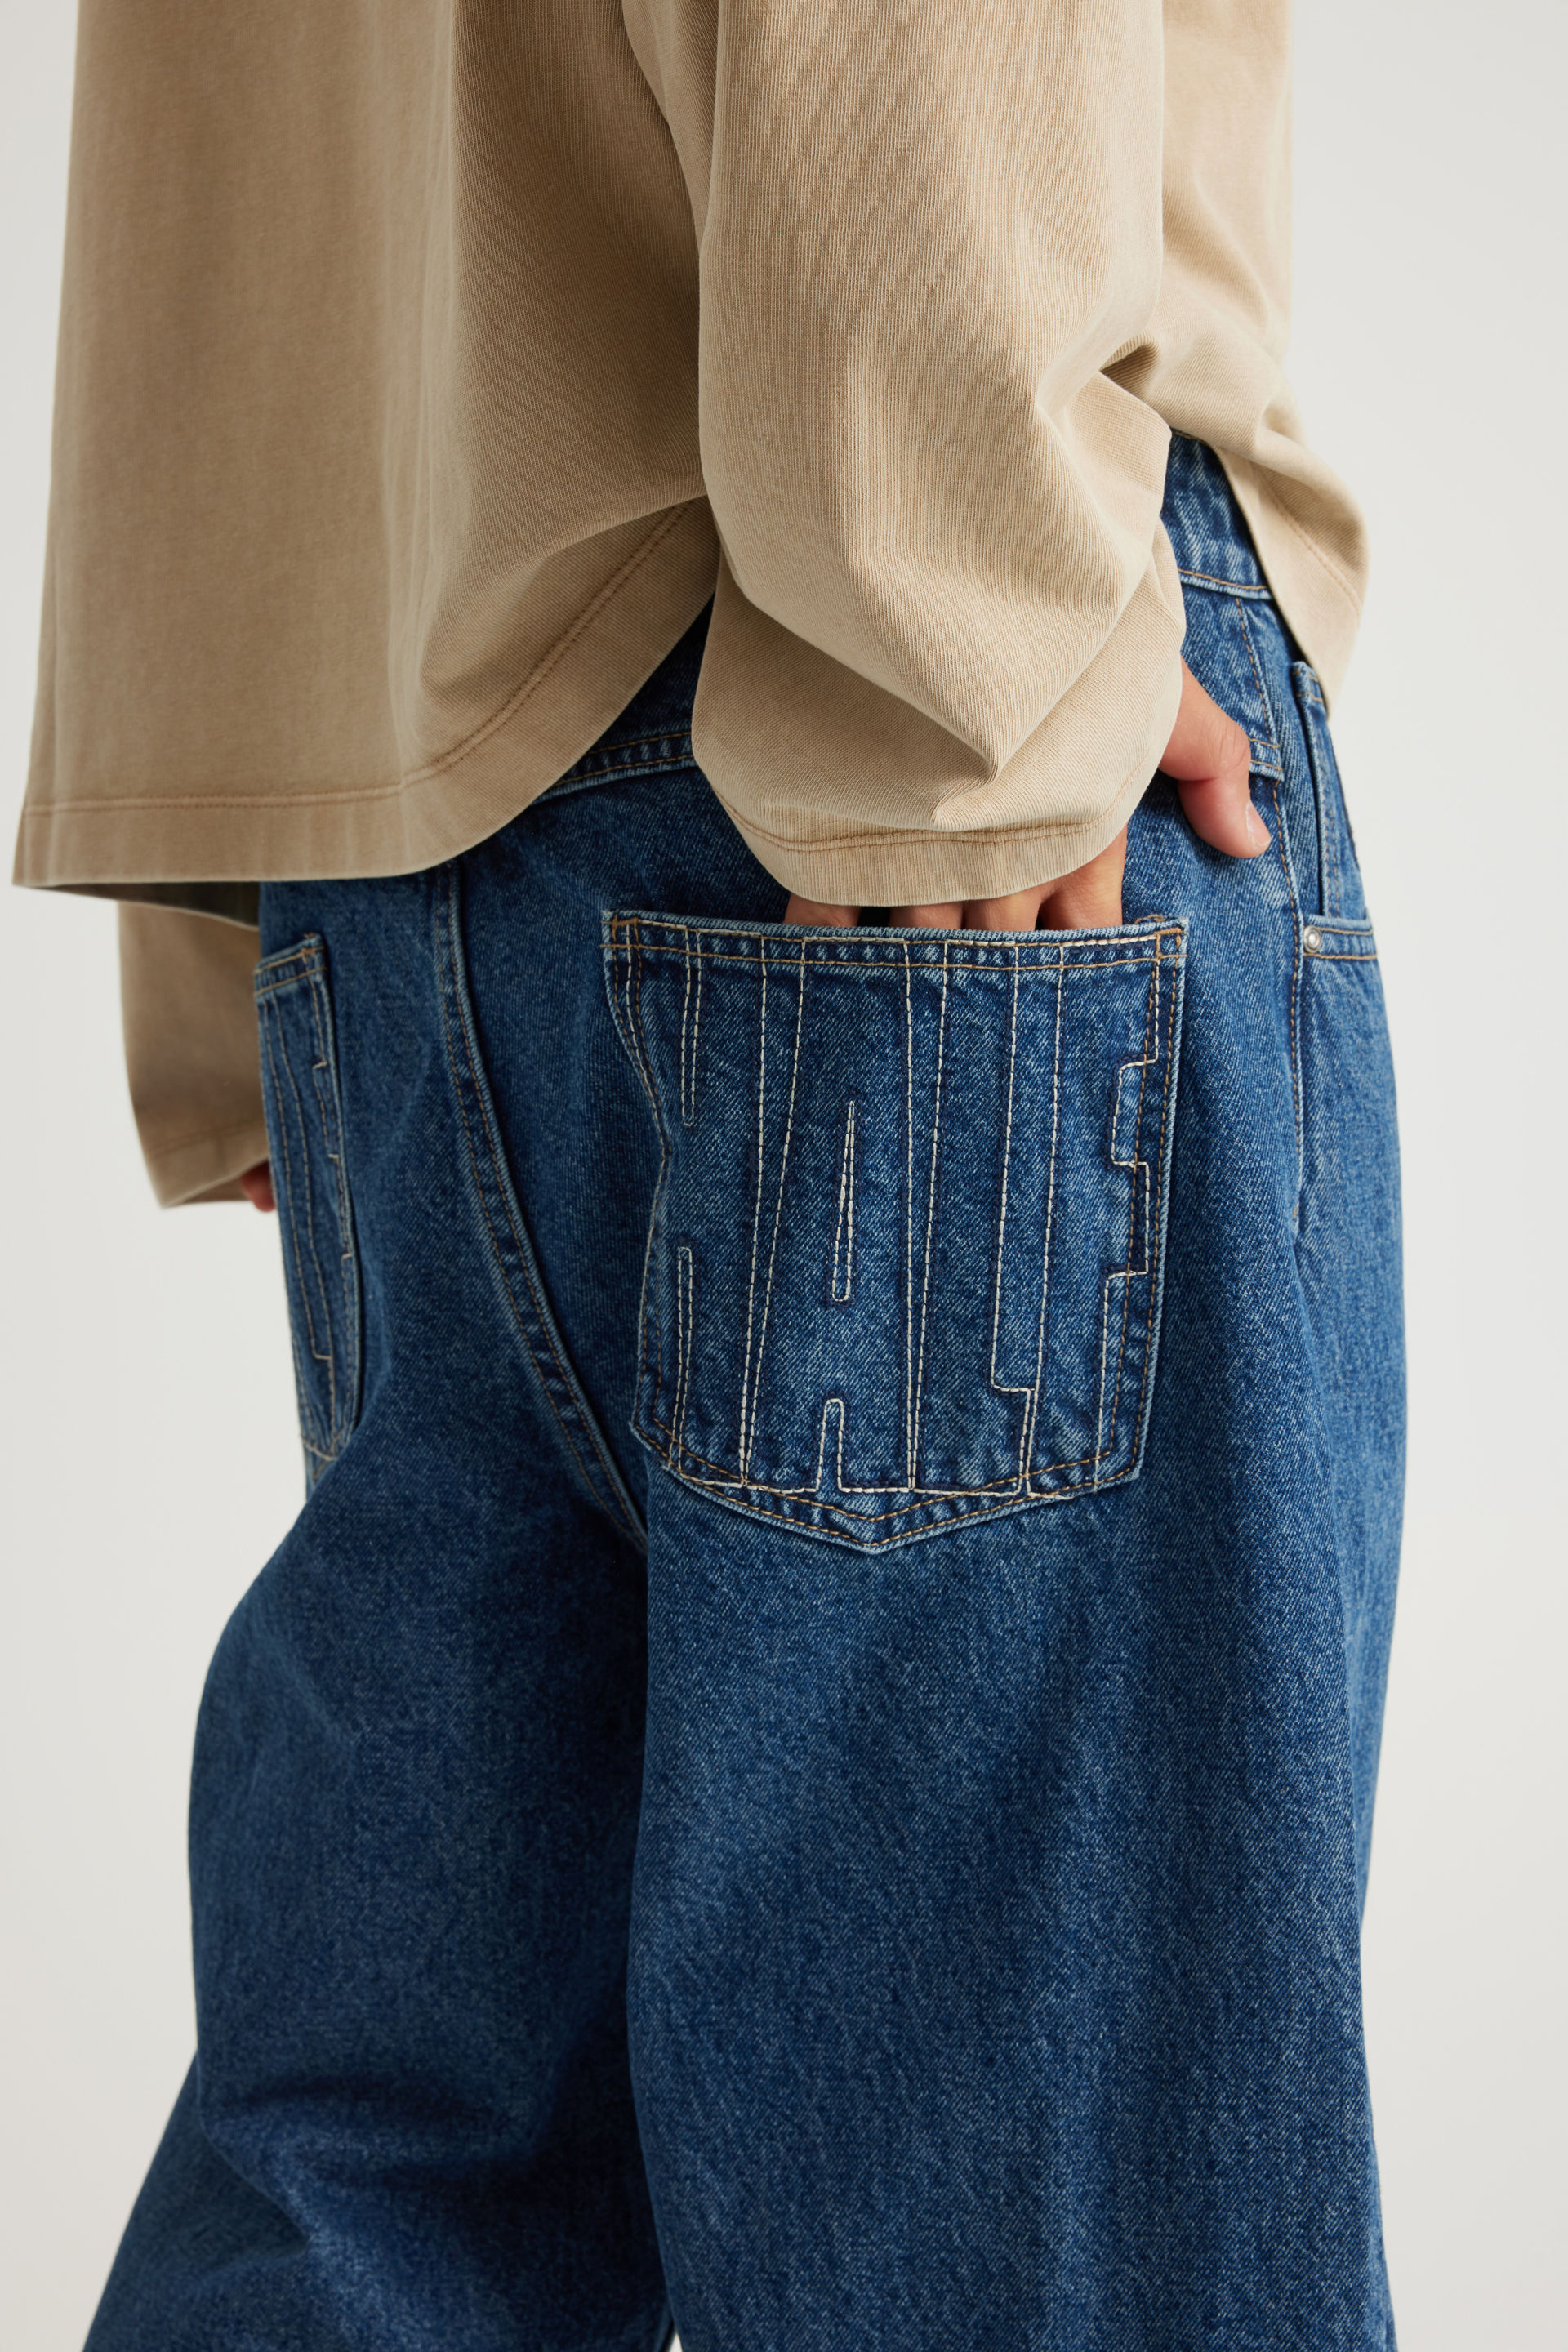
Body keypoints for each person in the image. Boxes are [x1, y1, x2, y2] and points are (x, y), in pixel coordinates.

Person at [16, 0, 1403, 2345]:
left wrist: (241, 919)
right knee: (1040, 2236)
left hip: (394, 791)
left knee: (390, 2186)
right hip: (890, 714)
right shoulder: (951, 665)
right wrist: (982, 626)